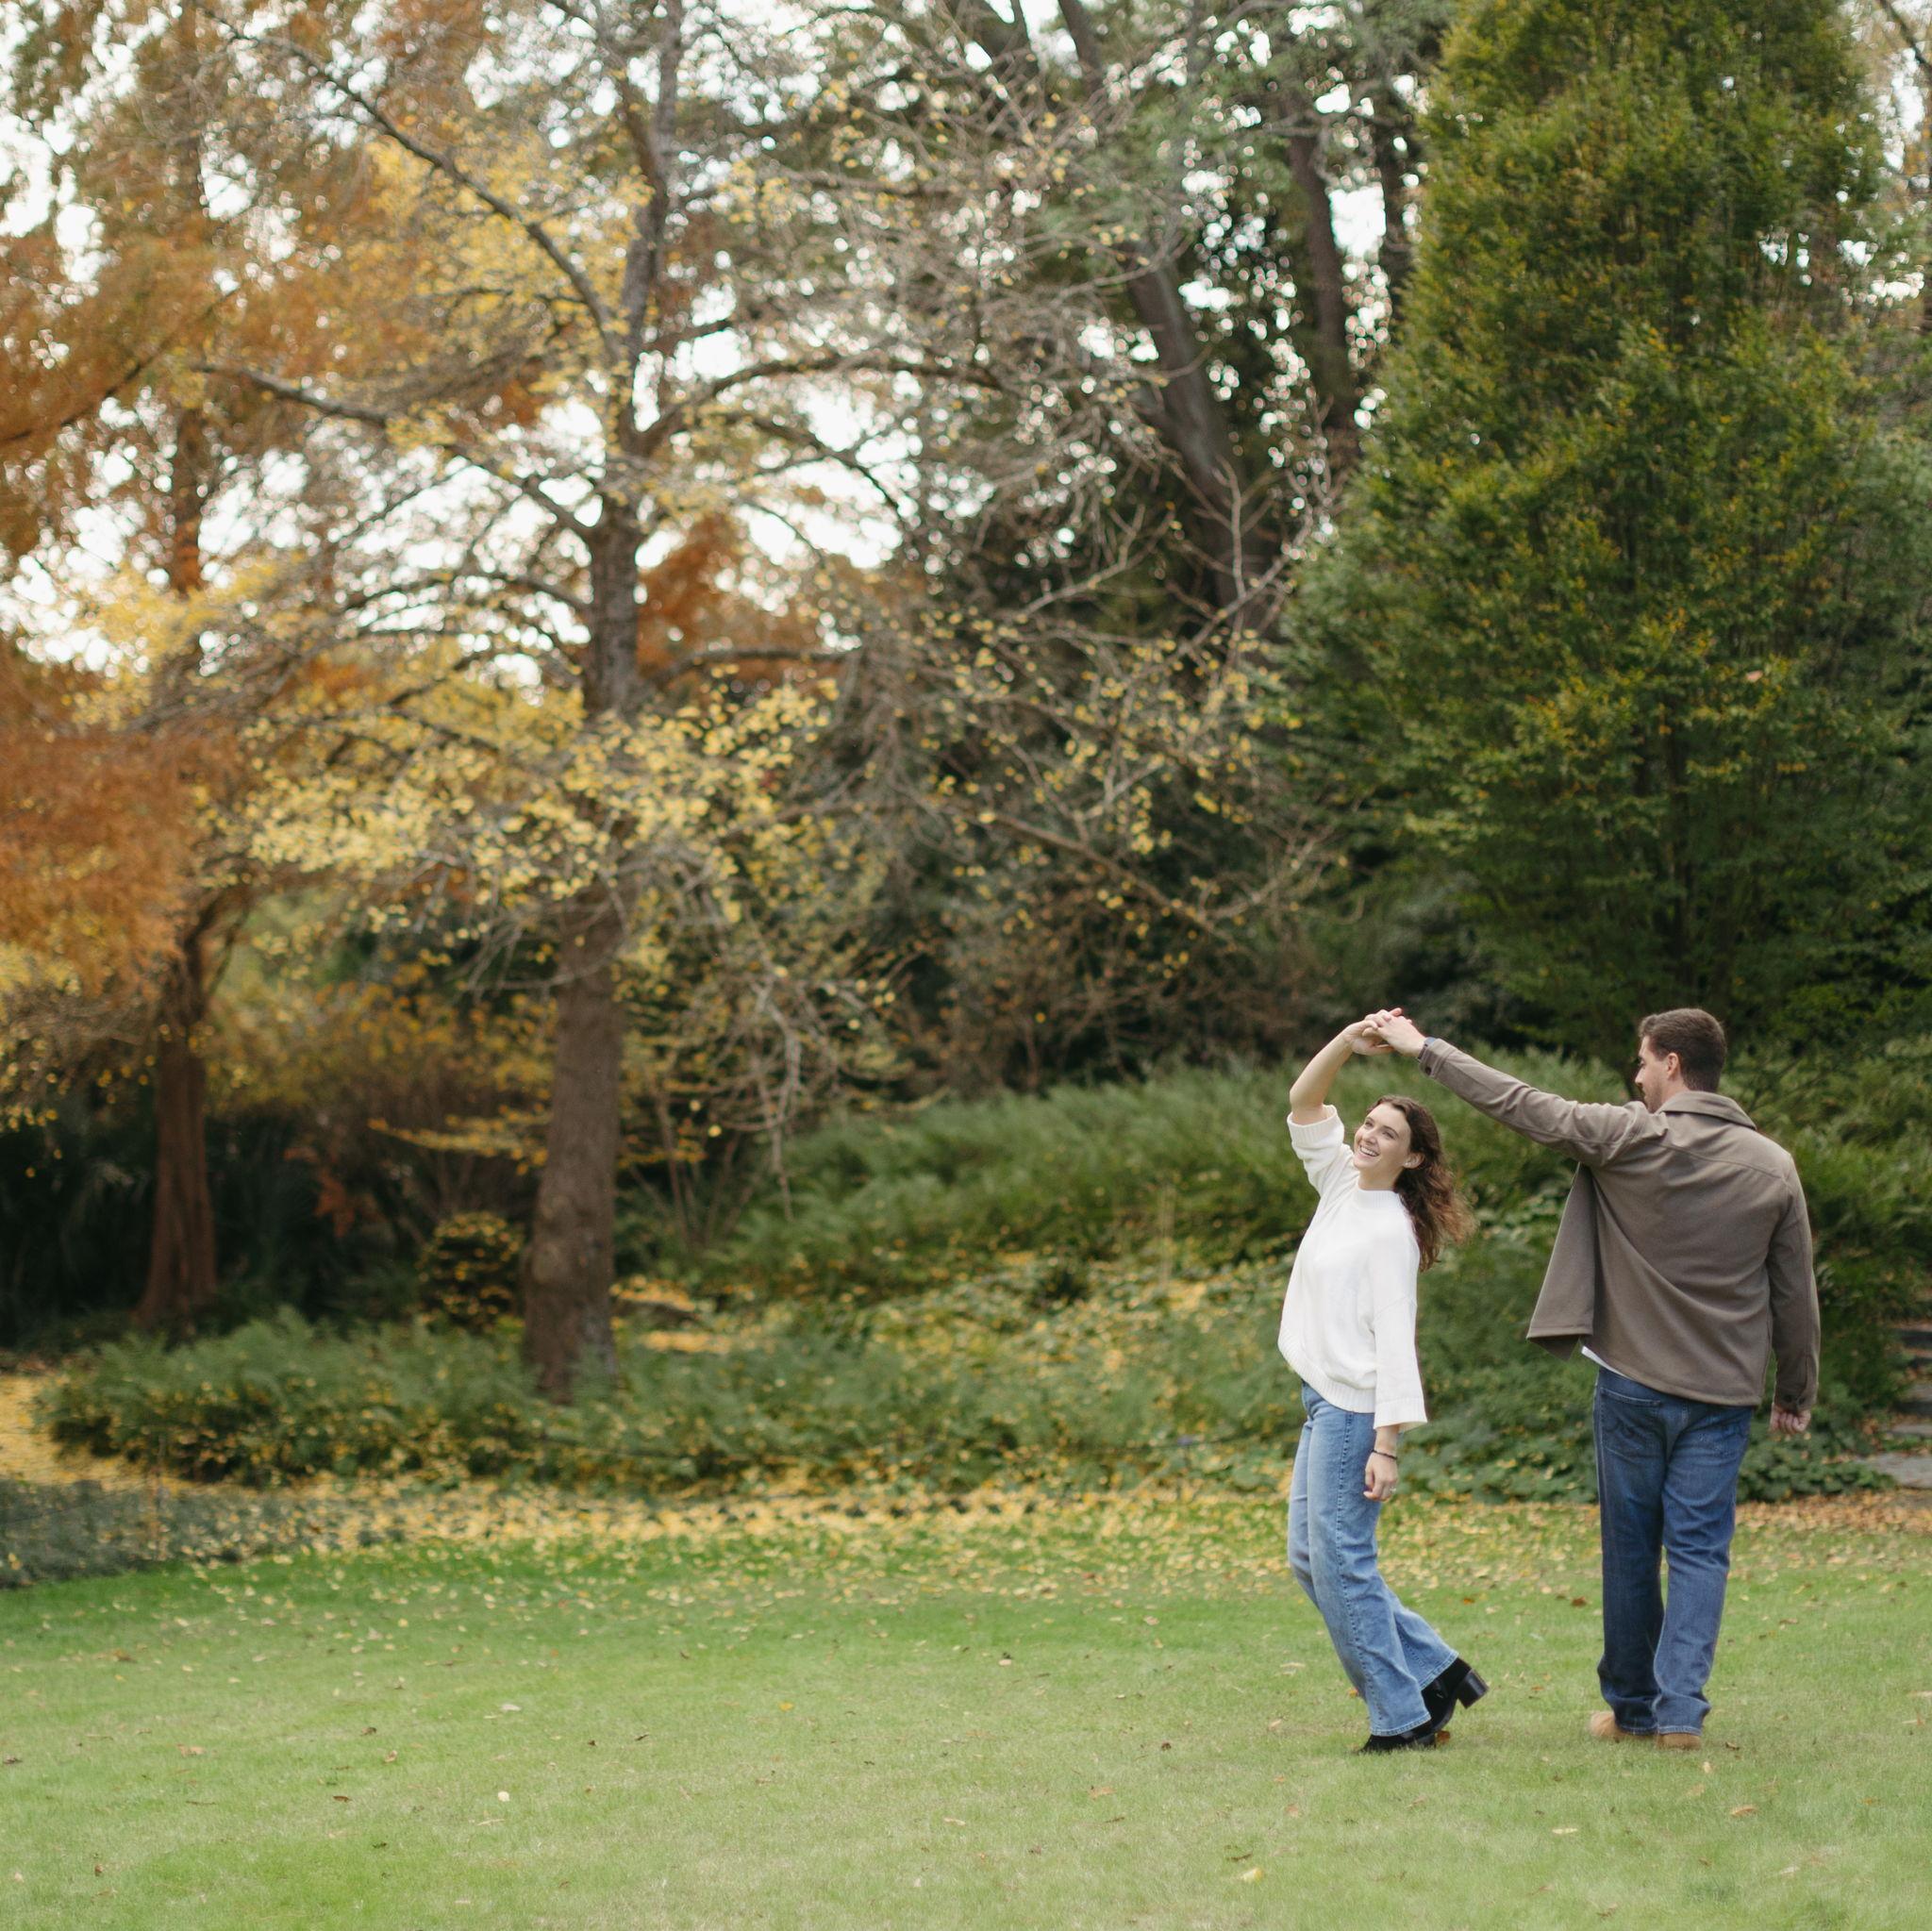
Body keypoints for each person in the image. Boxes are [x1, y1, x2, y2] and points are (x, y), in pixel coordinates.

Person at [1360, 1007, 1819, 1751]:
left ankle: (1635, 1709)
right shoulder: (1773, 1165)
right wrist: (1795, 1392)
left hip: (1633, 1386)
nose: (1635, 1077)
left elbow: (1517, 1102)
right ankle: (1679, 1714)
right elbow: (1794, 1290)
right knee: (1701, 1550)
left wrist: (1424, 1049)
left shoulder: (1631, 1135)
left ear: (1672, 1063)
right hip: (1724, 1395)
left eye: (1642, 1062)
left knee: (1632, 1546)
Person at [1280, 1018, 1484, 1753]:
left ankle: (1402, 1718)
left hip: (1353, 1412)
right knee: (1311, 1560)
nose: (1369, 1135)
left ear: (1413, 1156)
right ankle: (1435, 1667)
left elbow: (1397, 1343)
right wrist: (1343, 1041)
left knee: (1342, 1562)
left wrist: (1387, 1444)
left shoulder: (1390, 1230)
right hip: (1319, 1403)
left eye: (1388, 1133)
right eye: (1368, 1123)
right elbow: (1304, 1101)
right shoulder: (1339, 1181)